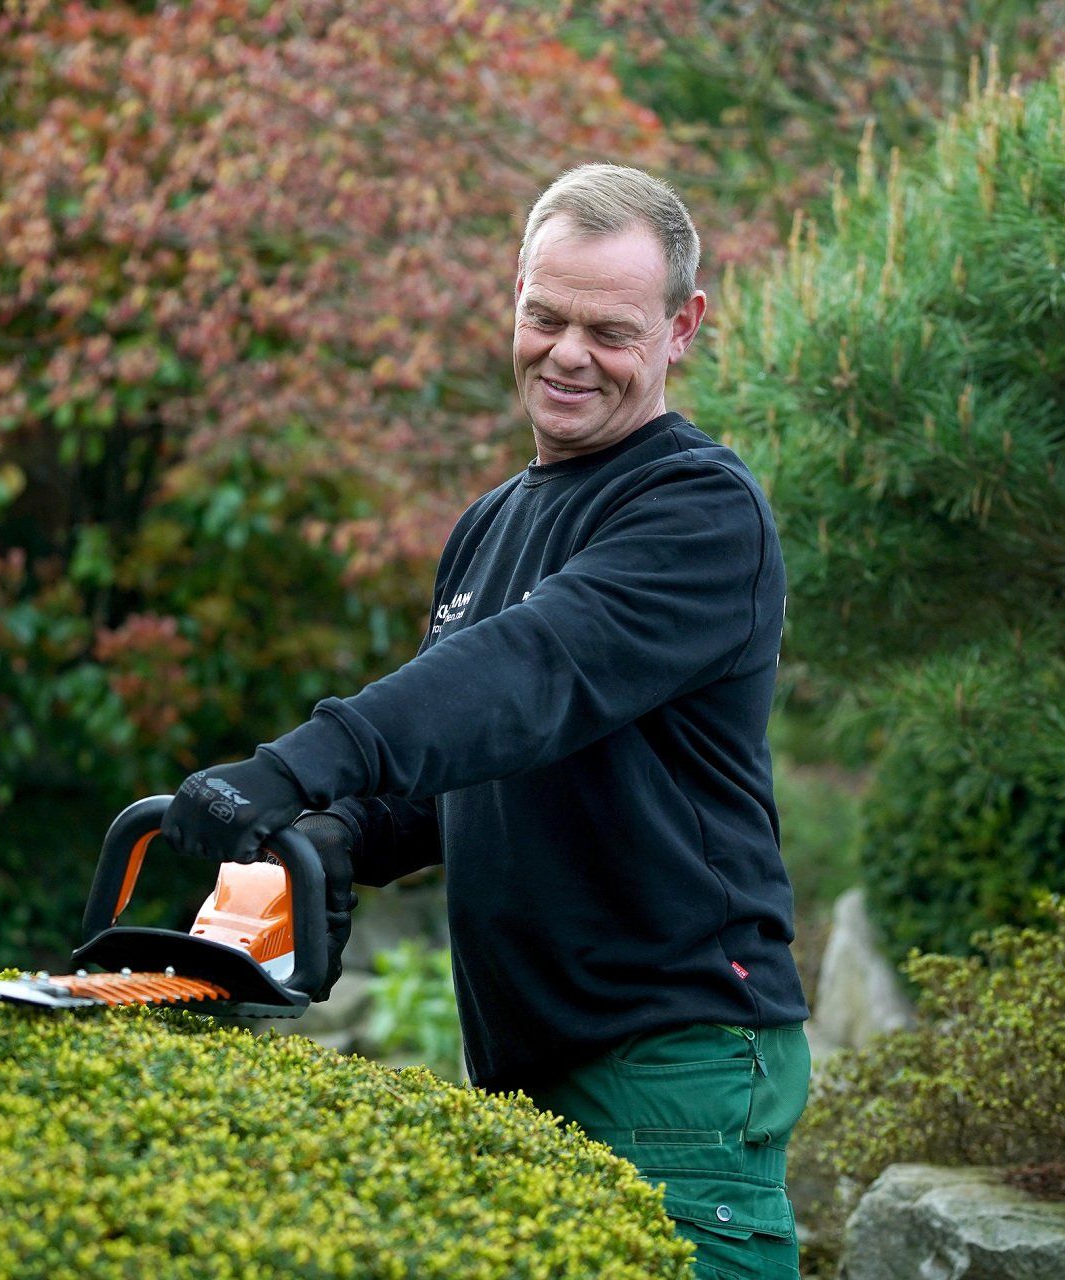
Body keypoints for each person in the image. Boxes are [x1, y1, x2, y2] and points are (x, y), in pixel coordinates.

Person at [162, 163, 809, 1280]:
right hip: (528, 1052)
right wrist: (344, 832)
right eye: (543, 314)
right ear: (513, 290)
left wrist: (299, 763)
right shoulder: (494, 521)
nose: (566, 353)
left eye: (609, 330)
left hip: (674, 1052)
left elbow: (532, 669)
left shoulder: (702, 511)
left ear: (682, 326)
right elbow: (458, 760)